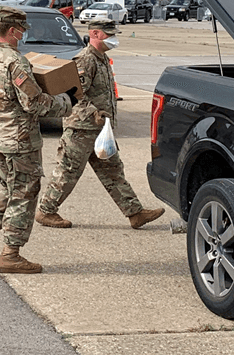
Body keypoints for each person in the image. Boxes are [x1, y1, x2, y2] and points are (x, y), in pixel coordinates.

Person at [0, 6, 76, 274]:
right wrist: (67, 101)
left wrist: (0, 104)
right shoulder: (16, 62)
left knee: (11, 186)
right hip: (20, 139)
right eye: (22, 30)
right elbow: (34, 103)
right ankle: (10, 255)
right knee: (25, 193)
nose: (24, 35)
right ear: (12, 31)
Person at [35, 18, 165, 230]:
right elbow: (74, 95)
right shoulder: (85, 60)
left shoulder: (102, 59)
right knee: (68, 171)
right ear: (94, 34)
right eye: (109, 34)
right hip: (81, 129)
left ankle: (135, 213)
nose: (113, 39)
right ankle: (46, 211)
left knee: (113, 171)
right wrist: (94, 112)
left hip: (100, 130)